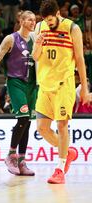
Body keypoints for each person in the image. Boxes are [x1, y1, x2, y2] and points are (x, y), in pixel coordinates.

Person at [32, 0, 90, 184]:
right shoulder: (40, 26)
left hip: (64, 84)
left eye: (51, 19)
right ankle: (69, 152)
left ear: (58, 14)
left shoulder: (72, 28)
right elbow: (35, 56)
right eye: (45, 20)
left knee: (62, 126)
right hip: (44, 85)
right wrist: (38, 44)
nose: (48, 23)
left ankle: (60, 169)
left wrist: (85, 90)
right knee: (41, 128)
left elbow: (80, 60)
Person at [0, 10, 37, 176]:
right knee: (23, 118)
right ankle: (10, 155)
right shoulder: (11, 39)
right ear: (21, 20)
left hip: (32, 85)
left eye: (34, 20)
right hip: (16, 82)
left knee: (27, 123)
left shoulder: (36, 38)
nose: (32, 22)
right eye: (29, 19)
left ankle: (22, 161)